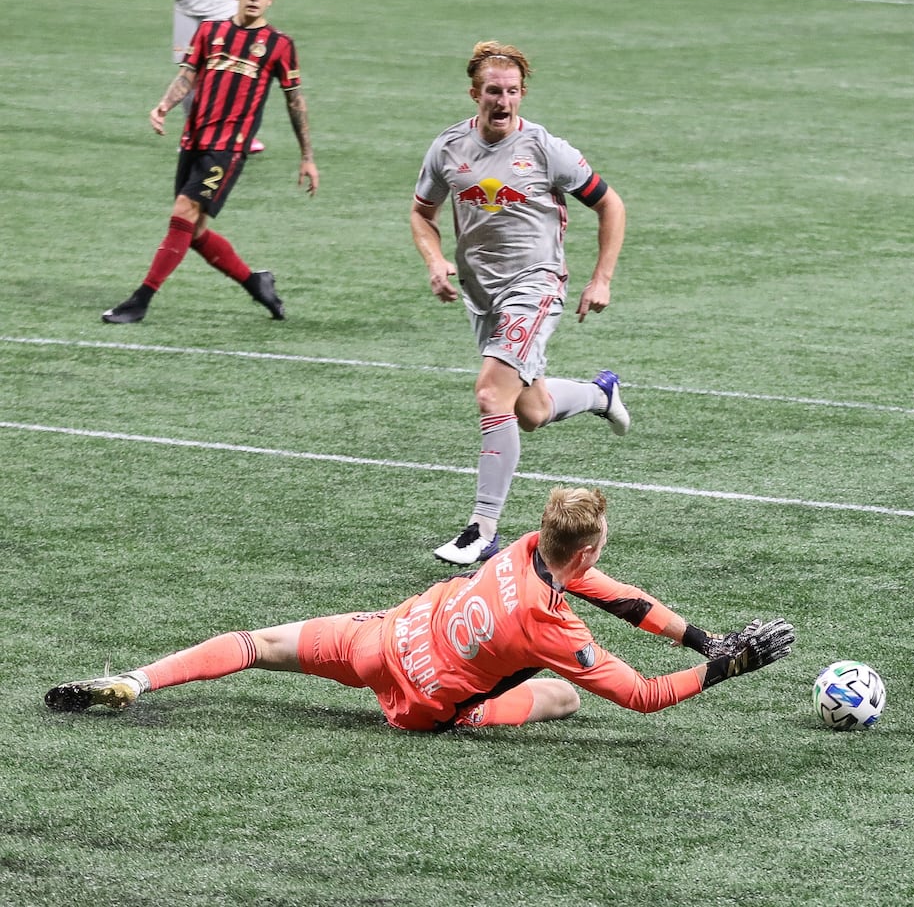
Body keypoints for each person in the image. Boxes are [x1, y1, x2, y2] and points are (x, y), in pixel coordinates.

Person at [45, 487, 796, 730]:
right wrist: (727, 666)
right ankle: (479, 707)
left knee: (255, 643)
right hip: (426, 704)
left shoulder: (523, 545)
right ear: (588, 548)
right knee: (564, 695)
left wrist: (695, 634)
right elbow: (641, 698)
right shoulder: (551, 625)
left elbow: (612, 593)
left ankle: (138, 681)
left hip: (385, 638)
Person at [411, 42, 630, 566]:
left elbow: (610, 204)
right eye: (493, 91)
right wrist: (434, 260)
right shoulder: (447, 149)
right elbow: (422, 213)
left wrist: (602, 278)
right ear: (475, 94)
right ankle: (600, 395)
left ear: (522, 95)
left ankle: (482, 530)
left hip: (536, 286)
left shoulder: (545, 148)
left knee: (491, 394)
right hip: (481, 293)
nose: (502, 100)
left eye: (511, 91)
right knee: (528, 411)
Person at [101, 0, 317, 325]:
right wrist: (164, 105)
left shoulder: (279, 46)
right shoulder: (209, 31)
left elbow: (295, 101)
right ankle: (255, 283)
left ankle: (140, 300)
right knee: (194, 232)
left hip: (227, 149)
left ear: (271, 0)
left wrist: (307, 156)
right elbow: (188, 74)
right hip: (194, 140)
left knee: (183, 212)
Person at [115, 0, 264, 152]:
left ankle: (238, 135)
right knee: (189, 74)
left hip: (223, 8)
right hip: (188, 9)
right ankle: (193, 134)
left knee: (229, 73)